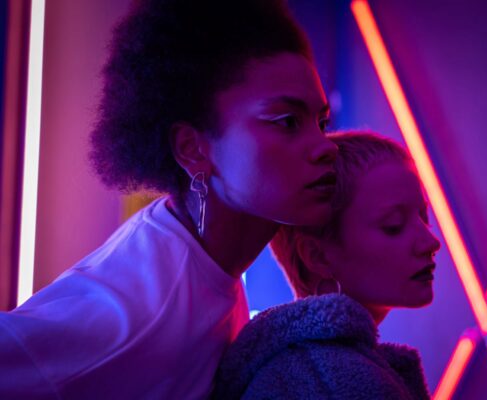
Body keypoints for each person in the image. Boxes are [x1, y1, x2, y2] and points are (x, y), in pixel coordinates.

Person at [0, 0, 338, 398]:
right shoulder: (139, 314)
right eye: (287, 121)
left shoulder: (208, 261)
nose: (326, 147)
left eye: (321, 122)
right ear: (193, 149)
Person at [213, 131, 441, 399]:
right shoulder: (334, 384)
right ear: (317, 256)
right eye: (394, 226)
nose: (430, 242)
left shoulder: (307, 371)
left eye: (424, 218)